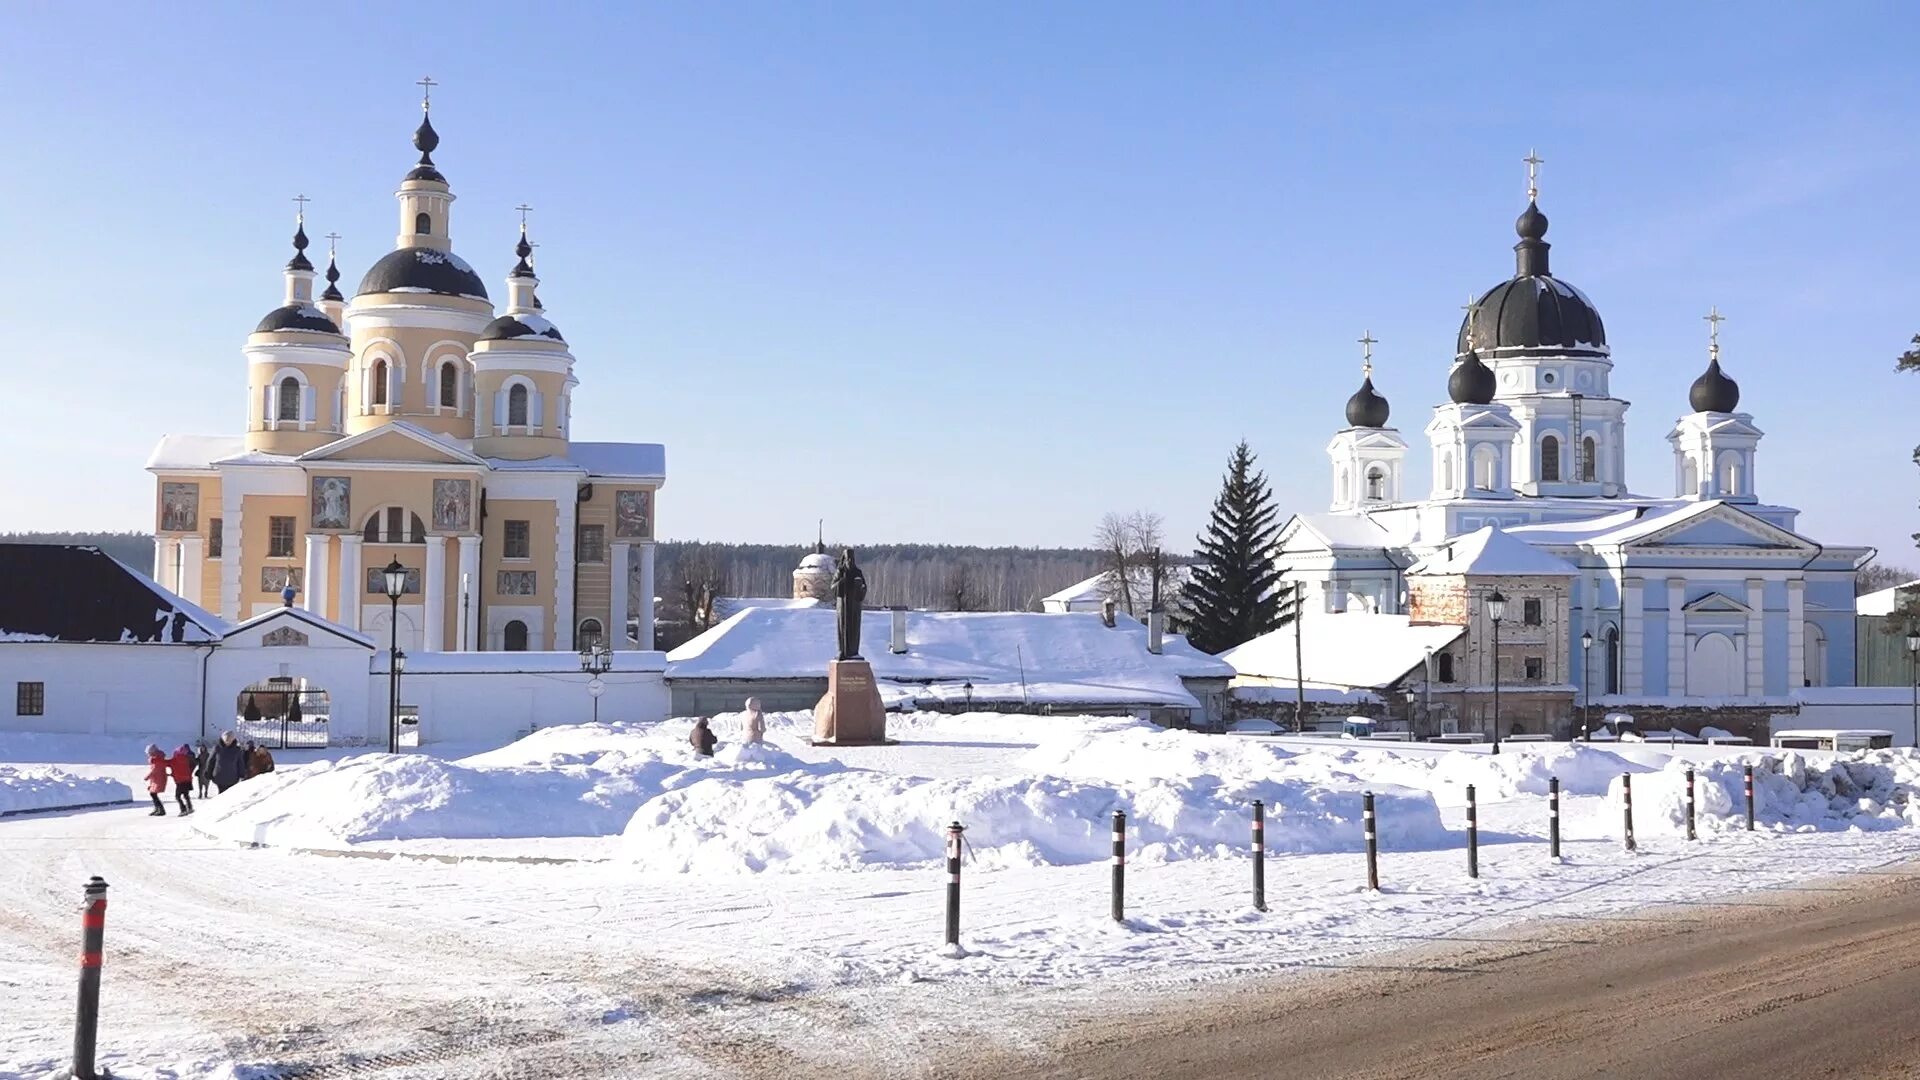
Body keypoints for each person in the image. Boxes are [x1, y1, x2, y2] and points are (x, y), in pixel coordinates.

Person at [168, 743, 195, 816]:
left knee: (178, 796)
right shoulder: (186, 759)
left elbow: (166, 763)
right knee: (186, 795)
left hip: (180, 781)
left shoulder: (174, 760)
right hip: (187, 780)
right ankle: (190, 807)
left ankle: (183, 810)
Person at [143, 745, 170, 816]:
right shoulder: (156, 758)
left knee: (153, 794)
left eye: (149, 753)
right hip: (156, 779)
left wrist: (147, 777)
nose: (148, 754)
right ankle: (157, 809)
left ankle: (161, 810)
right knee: (152, 793)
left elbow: (155, 770)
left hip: (159, 779)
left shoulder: (158, 759)